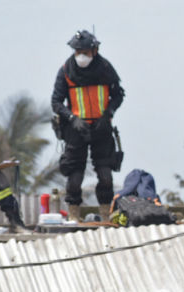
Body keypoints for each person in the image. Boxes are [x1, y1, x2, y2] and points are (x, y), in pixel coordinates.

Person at [51, 29, 125, 222]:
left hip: (102, 128)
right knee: (75, 178)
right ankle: (74, 215)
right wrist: (72, 119)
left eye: (84, 51)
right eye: (77, 52)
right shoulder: (66, 70)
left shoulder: (106, 68)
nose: (81, 56)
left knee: (106, 175)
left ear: (95, 50)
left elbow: (118, 94)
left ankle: (106, 216)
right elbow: (56, 102)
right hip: (76, 129)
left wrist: (108, 113)